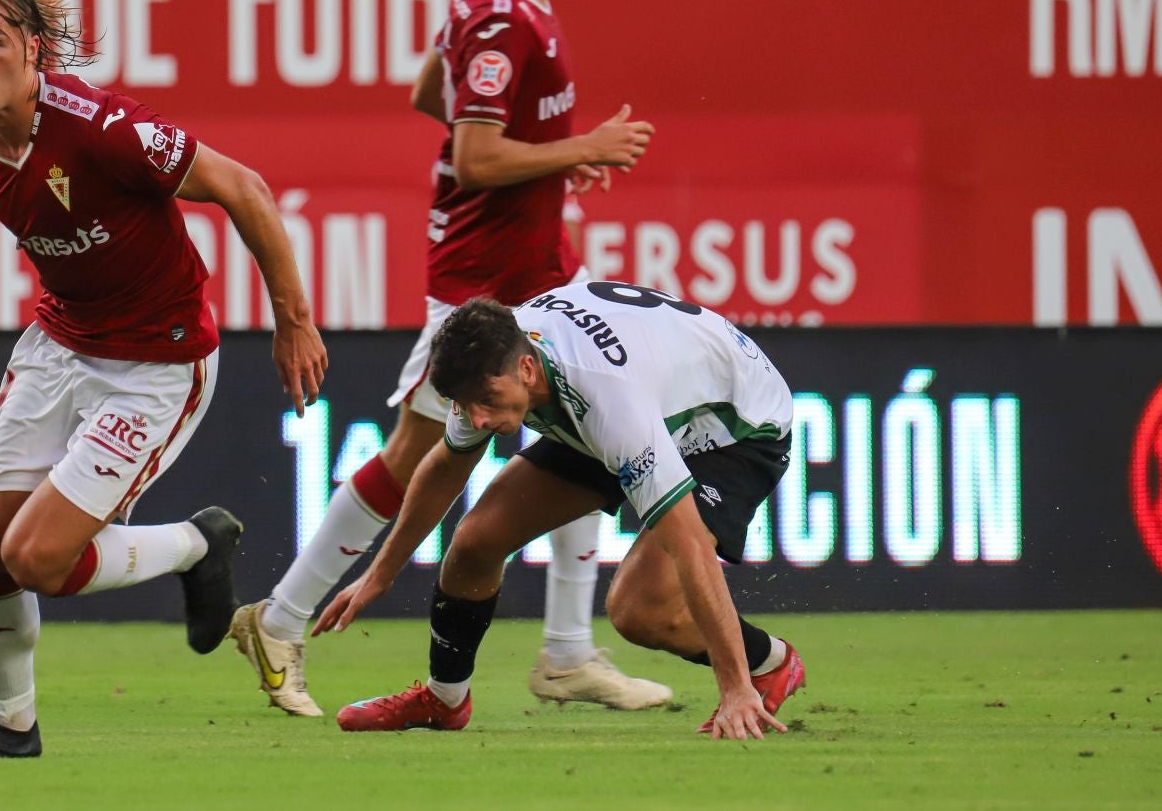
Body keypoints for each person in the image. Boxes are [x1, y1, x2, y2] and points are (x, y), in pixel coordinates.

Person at [228, 0, 667, 717]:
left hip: (536, 272)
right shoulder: (504, 16)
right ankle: (279, 617)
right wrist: (581, 147)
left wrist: (544, 157)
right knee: (414, 457)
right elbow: (470, 155)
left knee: (579, 436)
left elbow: (435, 93)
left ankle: (570, 651)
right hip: (485, 281)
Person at [0, 0, 329, 759]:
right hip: (57, 348)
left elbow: (245, 189)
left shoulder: (102, 125)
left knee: (38, 556)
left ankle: (197, 544)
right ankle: (13, 728)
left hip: (157, 362)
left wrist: (293, 320)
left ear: (33, 50)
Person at [317, 284, 805, 741]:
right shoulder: (490, 361)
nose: (479, 419)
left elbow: (691, 547)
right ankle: (444, 699)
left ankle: (770, 664)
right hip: (636, 395)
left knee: (640, 609)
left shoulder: (611, 402)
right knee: (475, 542)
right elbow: (446, 468)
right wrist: (379, 575)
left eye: (487, 401)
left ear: (526, 370)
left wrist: (733, 687)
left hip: (734, 427)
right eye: (466, 406)